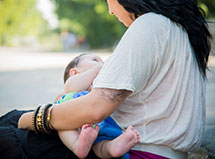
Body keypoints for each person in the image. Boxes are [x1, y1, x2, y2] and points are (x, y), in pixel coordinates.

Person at [3, 0, 212, 158]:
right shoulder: (179, 30)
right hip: (148, 148)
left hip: (136, 150)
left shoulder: (150, 24)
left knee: (8, 130)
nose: (110, 10)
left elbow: (96, 108)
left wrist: (37, 118)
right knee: (11, 119)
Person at [54, 53, 140, 159]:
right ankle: (77, 146)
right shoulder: (72, 84)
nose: (101, 64)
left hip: (97, 125)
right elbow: (71, 88)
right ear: (74, 72)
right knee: (62, 125)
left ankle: (113, 148)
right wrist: (96, 70)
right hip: (72, 116)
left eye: (102, 63)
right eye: (95, 60)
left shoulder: (99, 86)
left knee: (100, 147)